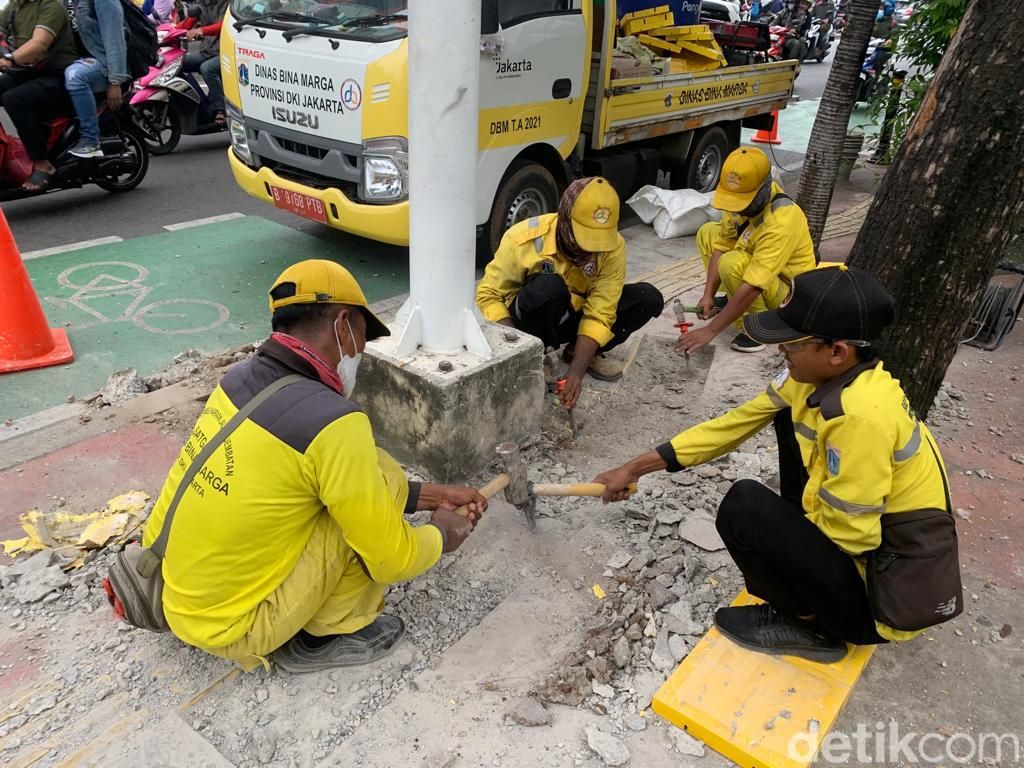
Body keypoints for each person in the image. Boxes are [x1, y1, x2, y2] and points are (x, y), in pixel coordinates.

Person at [142, 260, 488, 673]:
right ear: (342, 324)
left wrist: (432, 494)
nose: (361, 350)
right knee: (362, 505)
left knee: (359, 474)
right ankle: (324, 635)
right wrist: (441, 535)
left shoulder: (238, 381)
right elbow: (390, 559)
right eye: (362, 335)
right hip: (233, 627)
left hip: (175, 594)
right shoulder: (332, 422)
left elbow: (338, 475)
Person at [594, 265, 954, 662]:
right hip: (867, 556)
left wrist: (784, 548)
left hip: (879, 603)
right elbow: (733, 425)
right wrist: (634, 468)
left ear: (837, 351)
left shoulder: (860, 418)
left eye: (792, 344)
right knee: (782, 417)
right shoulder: (829, 380)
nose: (781, 350)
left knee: (745, 507)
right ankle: (813, 602)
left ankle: (811, 626)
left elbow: (853, 537)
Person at [476, 176, 664, 407]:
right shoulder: (523, 238)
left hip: (573, 315)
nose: (589, 249)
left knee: (648, 298)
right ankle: (539, 356)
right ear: (565, 218)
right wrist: (516, 350)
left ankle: (578, 352)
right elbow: (488, 295)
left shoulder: (614, 247)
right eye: (584, 238)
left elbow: (601, 310)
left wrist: (576, 371)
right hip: (533, 318)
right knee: (548, 287)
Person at [680, 146, 815, 354]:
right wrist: (708, 295)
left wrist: (710, 330)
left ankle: (756, 326)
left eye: (743, 202)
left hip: (788, 293)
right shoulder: (740, 203)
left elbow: (754, 284)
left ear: (763, 189)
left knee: (732, 263)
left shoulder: (782, 220)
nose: (737, 208)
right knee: (707, 233)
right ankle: (731, 300)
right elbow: (722, 244)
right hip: (759, 270)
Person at [0, 0, 79, 191]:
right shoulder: (15, 6)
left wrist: (10, 59)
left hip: (57, 73)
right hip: (27, 70)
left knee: (14, 99)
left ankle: (44, 164)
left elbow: (39, 44)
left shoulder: (50, 6)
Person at [63, 0, 129, 158]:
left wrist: (115, 81)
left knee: (75, 76)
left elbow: (115, 40)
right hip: (74, 59)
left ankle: (91, 140)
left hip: (101, 61)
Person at [177, 0, 227, 126]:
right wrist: (167, 31)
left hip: (226, 52)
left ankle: (220, 109)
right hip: (207, 50)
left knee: (207, 68)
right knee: (178, 63)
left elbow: (224, 25)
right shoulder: (202, 4)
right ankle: (201, 104)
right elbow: (187, 24)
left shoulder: (228, 3)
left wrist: (202, 30)